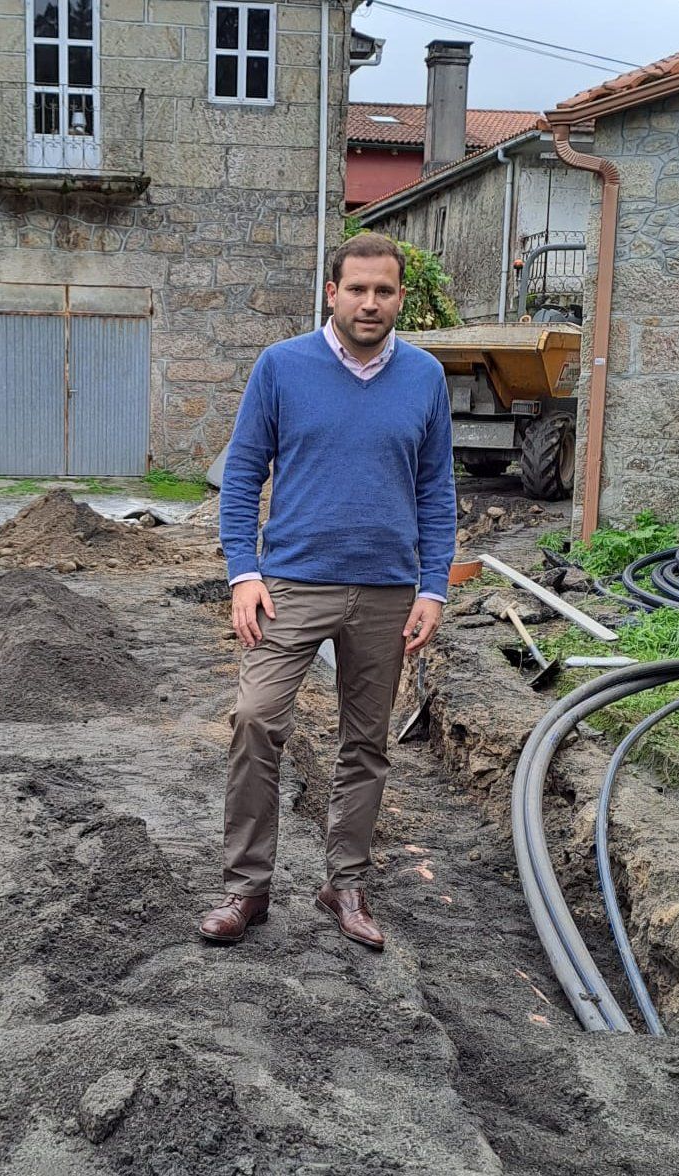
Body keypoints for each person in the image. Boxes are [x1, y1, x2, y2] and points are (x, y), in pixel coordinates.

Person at [199, 232, 456, 951]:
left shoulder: (425, 377)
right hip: (292, 584)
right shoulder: (282, 367)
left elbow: (437, 489)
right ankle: (246, 889)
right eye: (358, 289)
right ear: (332, 292)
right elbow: (243, 474)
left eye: (385, 290)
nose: (370, 303)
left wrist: (432, 586)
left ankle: (345, 882)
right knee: (255, 718)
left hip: (386, 592)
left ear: (401, 297)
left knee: (365, 742)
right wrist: (244, 574)